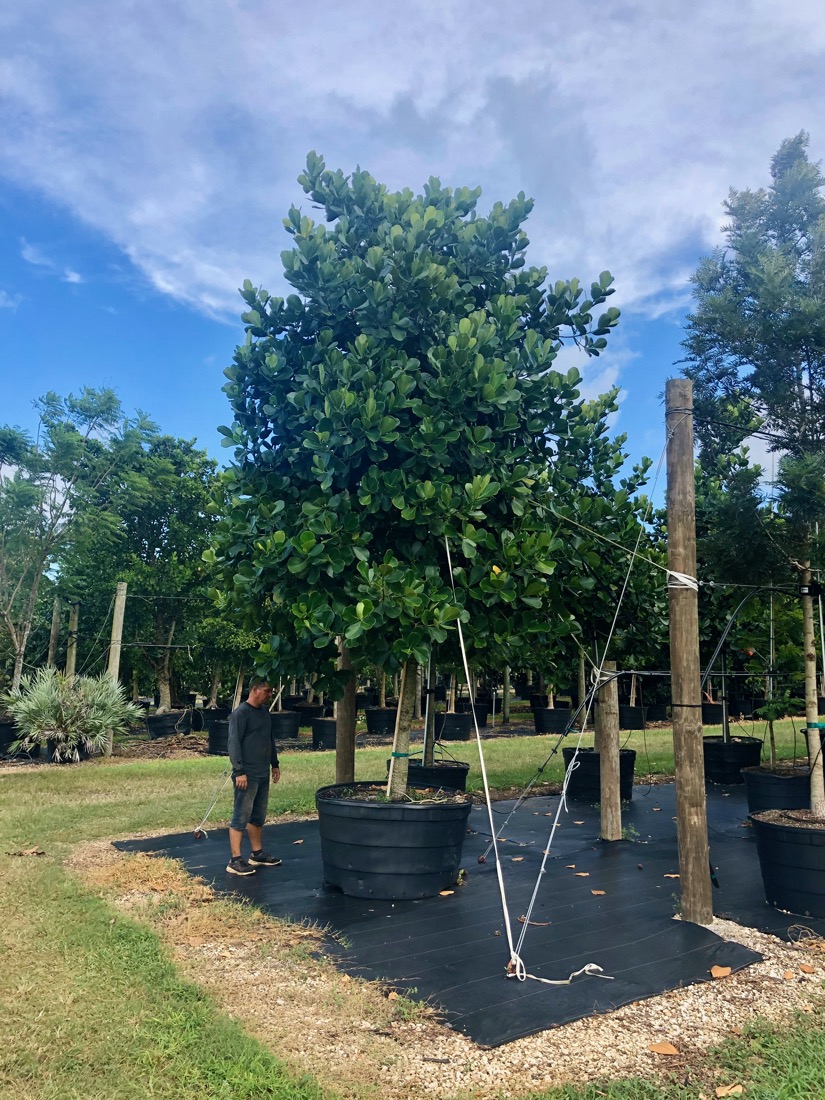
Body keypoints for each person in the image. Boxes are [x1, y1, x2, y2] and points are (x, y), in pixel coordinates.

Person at [226, 679, 283, 876]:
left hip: (263, 772)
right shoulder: (240, 714)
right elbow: (233, 744)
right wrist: (239, 771)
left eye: (271, 691)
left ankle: (256, 853)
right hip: (246, 774)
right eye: (267, 691)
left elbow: (270, 739)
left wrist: (274, 764)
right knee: (240, 815)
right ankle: (235, 860)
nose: (269, 695)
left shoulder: (264, 713)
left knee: (258, 815)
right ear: (255, 690)